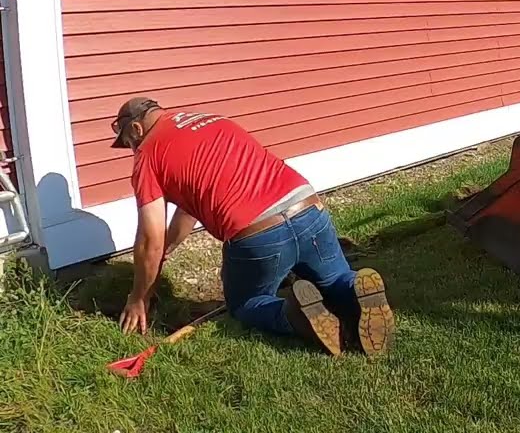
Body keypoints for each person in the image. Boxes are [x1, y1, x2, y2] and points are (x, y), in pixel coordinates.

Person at [112, 96, 394, 357]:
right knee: (334, 278)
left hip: (259, 235)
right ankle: (354, 287)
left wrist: (139, 297)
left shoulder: (148, 155)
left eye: (128, 143)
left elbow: (150, 238)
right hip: (306, 208)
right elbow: (189, 209)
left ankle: (294, 315)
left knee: (245, 303)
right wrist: (168, 248)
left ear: (136, 129)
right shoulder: (211, 120)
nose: (132, 151)